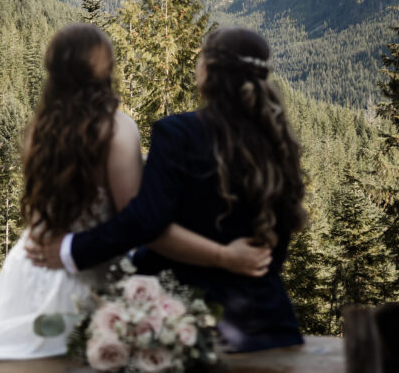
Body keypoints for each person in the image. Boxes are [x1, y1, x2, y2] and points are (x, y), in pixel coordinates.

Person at [0, 24, 269, 373]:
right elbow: (132, 215)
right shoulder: (117, 128)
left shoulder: (41, 127)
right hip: (87, 270)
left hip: (28, 265)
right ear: (104, 69)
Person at [30, 27, 306, 353]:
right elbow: (276, 243)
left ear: (208, 71)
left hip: (185, 322)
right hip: (271, 323)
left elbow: (146, 220)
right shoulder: (278, 140)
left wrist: (71, 249)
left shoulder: (178, 133)